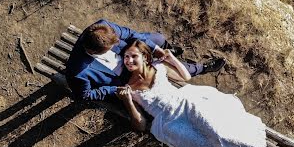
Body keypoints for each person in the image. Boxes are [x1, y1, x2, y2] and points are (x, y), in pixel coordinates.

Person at [117, 39, 294, 147]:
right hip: (169, 125)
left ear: (145, 56)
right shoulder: (129, 89)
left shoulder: (157, 67)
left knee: (220, 134)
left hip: (186, 103)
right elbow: (140, 125)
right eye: (126, 57)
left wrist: (171, 59)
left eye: (133, 56)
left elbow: (186, 77)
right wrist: (127, 102)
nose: (129, 61)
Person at [65, 19, 225, 102]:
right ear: (93, 52)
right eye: (110, 49)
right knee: (170, 69)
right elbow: (85, 95)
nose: (116, 44)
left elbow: (131, 34)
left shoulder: (103, 26)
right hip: (126, 78)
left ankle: (169, 50)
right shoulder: (77, 70)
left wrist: (155, 50)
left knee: (159, 39)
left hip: (132, 51)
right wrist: (116, 89)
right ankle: (202, 68)